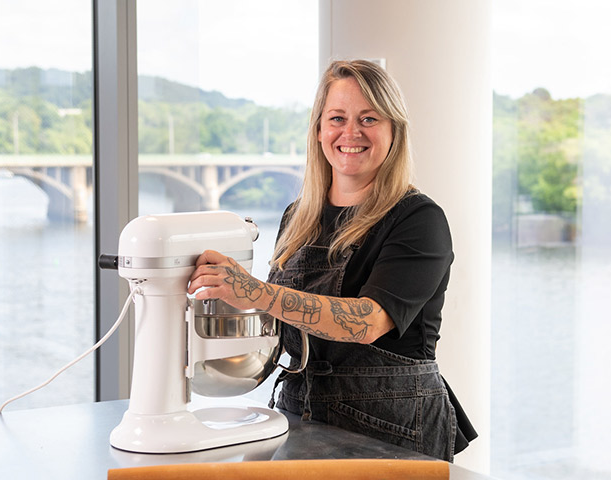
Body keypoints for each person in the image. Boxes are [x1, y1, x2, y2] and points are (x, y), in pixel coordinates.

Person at [188, 59, 476, 462]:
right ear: (319, 131)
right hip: (299, 413)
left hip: (392, 427)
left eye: (369, 118)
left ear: (394, 129)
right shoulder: (297, 216)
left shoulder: (418, 218)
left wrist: (255, 291)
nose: (351, 132)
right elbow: (280, 322)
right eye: (337, 118)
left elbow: (366, 321)